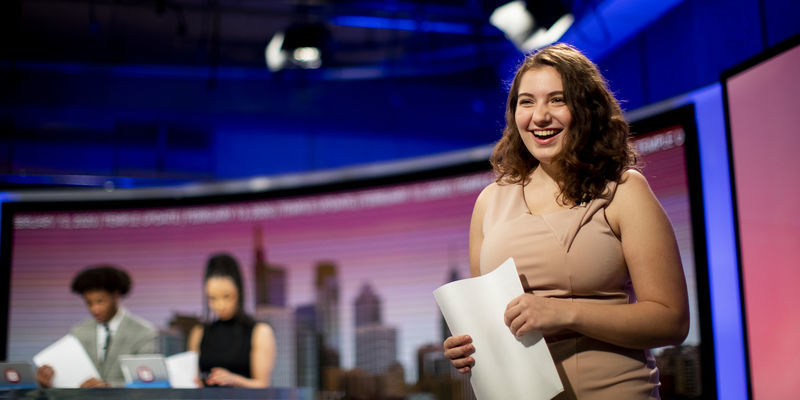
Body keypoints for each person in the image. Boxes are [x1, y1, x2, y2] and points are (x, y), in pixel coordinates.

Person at [443, 43, 689, 399]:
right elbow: (489, 321)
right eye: (526, 102)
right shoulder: (490, 202)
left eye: (557, 99)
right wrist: (466, 346)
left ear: (587, 109)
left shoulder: (623, 190)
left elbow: (671, 321)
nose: (539, 116)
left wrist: (561, 312)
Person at [36, 265, 157, 388]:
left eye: (100, 301)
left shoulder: (143, 332)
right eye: (89, 303)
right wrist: (49, 380)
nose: (94, 309)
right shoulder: (78, 332)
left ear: (115, 295)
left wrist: (107, 387)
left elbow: (147, 382)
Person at [188, 253, 276, 388]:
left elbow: (262, 385)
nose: (220, 306)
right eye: (212, 298)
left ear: (239, 292)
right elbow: (194, 380)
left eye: (227, 297)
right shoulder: (198, 333)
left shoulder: (260, 332)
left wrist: (234, 380)